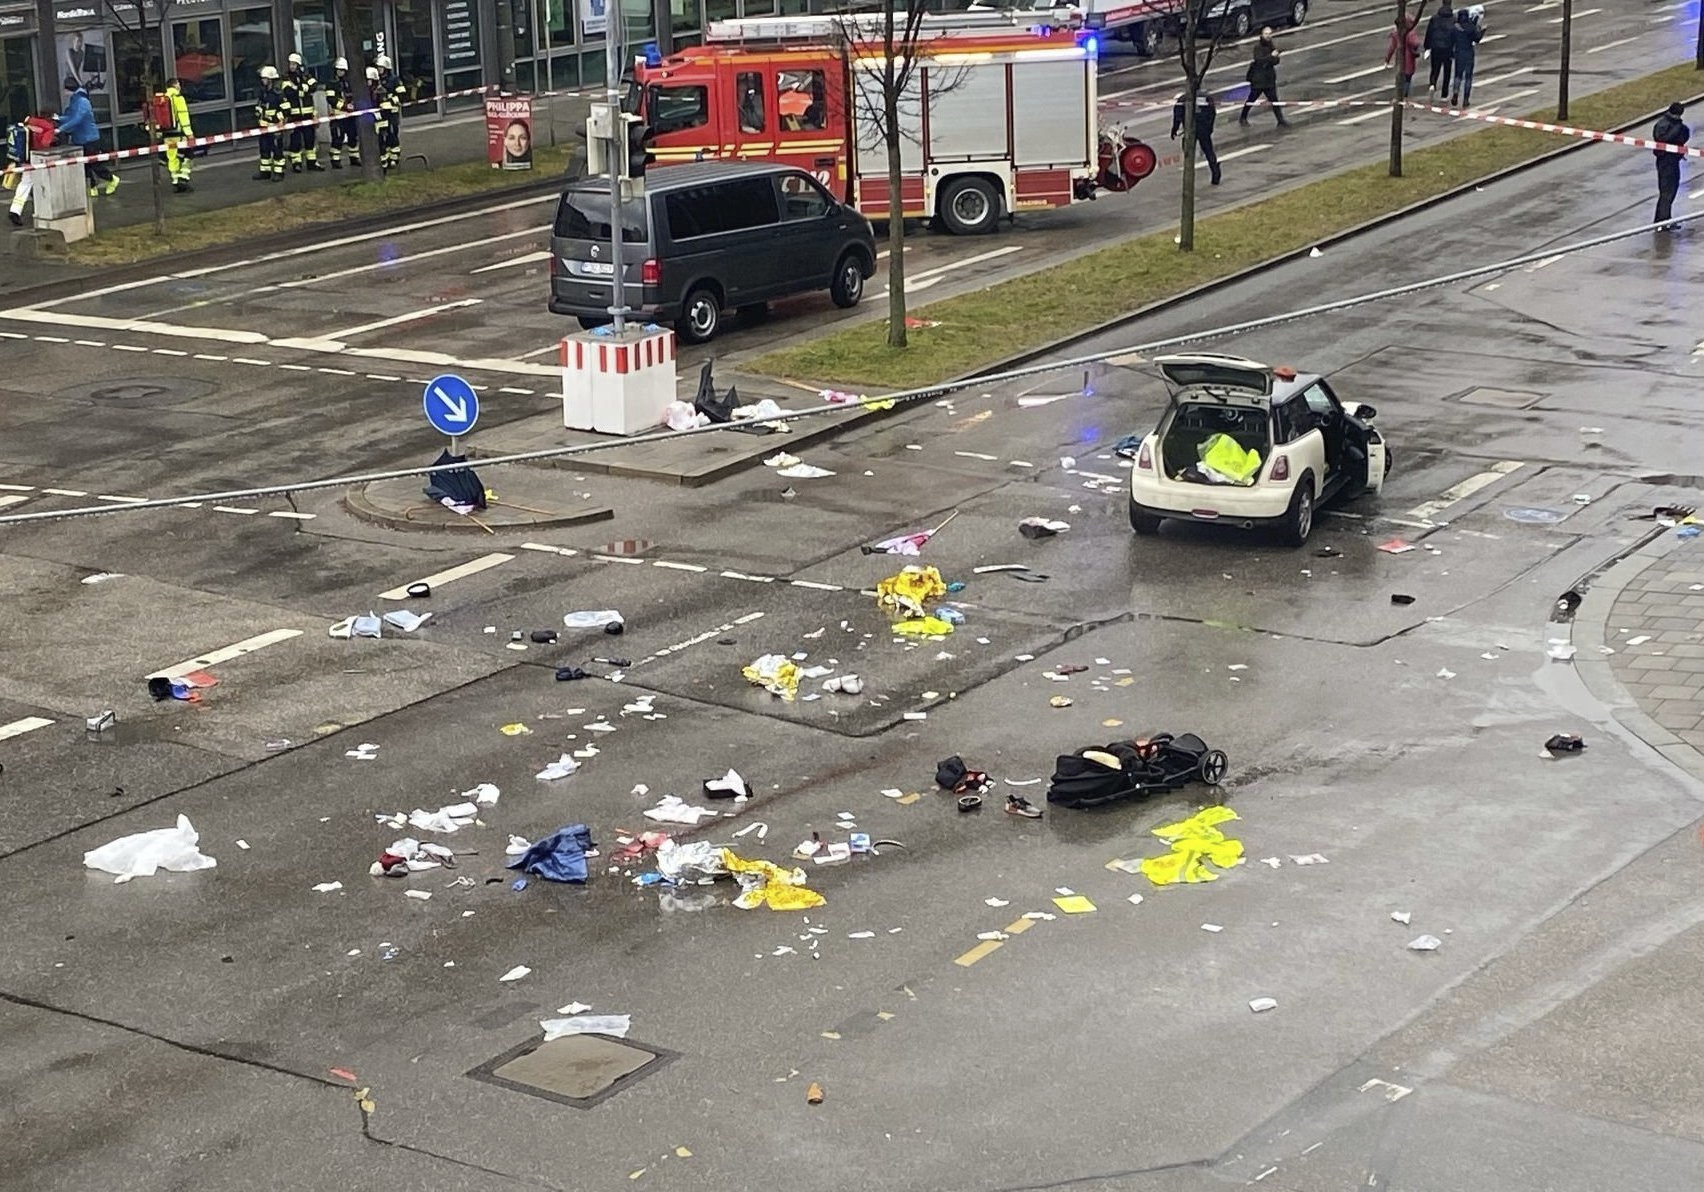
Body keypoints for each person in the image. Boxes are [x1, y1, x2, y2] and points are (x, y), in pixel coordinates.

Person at [57, 75, 117, 196]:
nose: (64, 93)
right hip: (80, 138)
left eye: (65, 90)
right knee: (84, 165)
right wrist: (58, 118)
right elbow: (71, 117)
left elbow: (77, 119)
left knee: (94, 163)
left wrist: (61, 128)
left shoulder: (82, 101)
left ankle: (111, 179)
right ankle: (92, 187)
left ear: (69, 89)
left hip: (89, 138)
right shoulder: (75, 100)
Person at [3, 111, 53, 225]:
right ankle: (43, 208)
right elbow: (45, 144)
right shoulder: (48, 127)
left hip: (25, 158)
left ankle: (15, 210)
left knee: (25, 183)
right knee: (46, 182)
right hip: (38, 159)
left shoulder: (28, 121)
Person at [1652, 101, 1689, 230]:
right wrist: (1678, 127)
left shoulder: (1662, 123)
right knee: (1668, 192)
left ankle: (1664, 219)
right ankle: (1662, 222)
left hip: (1668, 160)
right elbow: (1668, 139)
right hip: (1667, 162)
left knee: (1667, 192)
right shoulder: (1672, 125)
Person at [1171, 90, 1221, 186]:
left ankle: (1188, 174)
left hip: (1190, 129)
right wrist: (1209, 128)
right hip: (1204, 129)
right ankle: (1216, 173)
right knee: (1209, 151)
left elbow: (1177, 115)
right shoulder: (1206, 98)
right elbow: (1212, 113)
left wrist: (1175, 129)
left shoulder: (1183, 99)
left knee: (1188, 153)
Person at [1240, 29, 1288, 127]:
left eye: (1269, 34)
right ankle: (1243, 117)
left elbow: (1276, 61)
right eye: (1266, 34)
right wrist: (1271, 56)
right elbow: (1259, 60)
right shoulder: (1258, 47)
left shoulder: (1271, 46)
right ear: (1262, 35)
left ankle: (1280, 120)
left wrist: (1274, 57)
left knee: (1274, 100)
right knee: (1251, 99)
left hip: (1269, 78)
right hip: (1259, 79)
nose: (1268, 36)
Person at [157, 77, 193, 193]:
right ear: (175, 85)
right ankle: (183, 178)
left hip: (167, 134)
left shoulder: (162, 99)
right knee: (187, 155)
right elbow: (183, 116)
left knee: (172, 157)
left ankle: (175, 181)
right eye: (178, 84)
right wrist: (189, 134)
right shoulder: (178, 98)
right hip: (179, 133)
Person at [253, 65, 286, 181]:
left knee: (277, 150)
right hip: (263, 127)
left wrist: (277, 118)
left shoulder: (278, 93)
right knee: (264, 149)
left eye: (265, 78)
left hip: (275, 127)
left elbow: (286, 109)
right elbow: (259, 106)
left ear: (271, 79)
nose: (263, 81)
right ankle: (265, 172)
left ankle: (279, 172)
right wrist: (258, 113)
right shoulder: (263, 93)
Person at [326, 57, 360, 168]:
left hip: (350, 115)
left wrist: (353, 104)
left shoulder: (349, 82)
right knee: (338, 138)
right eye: (338, 70)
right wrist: (345, 107)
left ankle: (354, 157)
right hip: (337, 116)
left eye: (342, 70)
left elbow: (354, 95)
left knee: (352, 136)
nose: (340, 72)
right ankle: (335, 159)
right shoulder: (331, 83)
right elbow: (331, 99)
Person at [374, 54, 405, 171]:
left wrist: (390, 99)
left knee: (392, 134)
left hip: (392, 112)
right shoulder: (377, 80)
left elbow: (402, 95)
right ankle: (385, 158)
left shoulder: (394, 80)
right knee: (383, 135)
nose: (379, 70)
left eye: (381, 68)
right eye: (378, 67)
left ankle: (395, 156)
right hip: (381, 113)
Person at [1449, 7, 1483, 107]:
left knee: (1458, 76)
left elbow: (1451, 41)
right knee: (1468, 77)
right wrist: (1481, 31)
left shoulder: (1455, 28)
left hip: (1459, 53)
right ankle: (1466, 99)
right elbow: (1476, 39)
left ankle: (1455, 92)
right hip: (1469, 53)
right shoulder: (1471, 27)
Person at [367, 65, 399, 174]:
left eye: (370, 80)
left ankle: (385, 165)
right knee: (377, 145)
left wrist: (377, 113)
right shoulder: (367, 92)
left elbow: (384, 107)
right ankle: (382, 163)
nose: (368, 82)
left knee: (383, 143)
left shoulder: (380, 91)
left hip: (381, 122)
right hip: (371, 122)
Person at [1385, 13, 1420, 98]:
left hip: (1399, 61)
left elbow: (1391, 47)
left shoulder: (1396, 33)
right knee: (1407, 79)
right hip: (1409, 62)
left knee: (1400, 78)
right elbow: (1415, 43)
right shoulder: (1410, 33)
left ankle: (1400, 94)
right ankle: (1404, 95)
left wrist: (1387, 59)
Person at [1424, 0, 1454, 96]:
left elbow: (1429, 33)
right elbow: (1455, 34)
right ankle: (1444, 93)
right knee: (1447, 71)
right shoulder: (1453, 19)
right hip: (1448, 48)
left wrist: (1427, 46)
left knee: (1435, 68)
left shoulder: (1434, 18)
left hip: (1436, 47)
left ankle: (1433, 83)